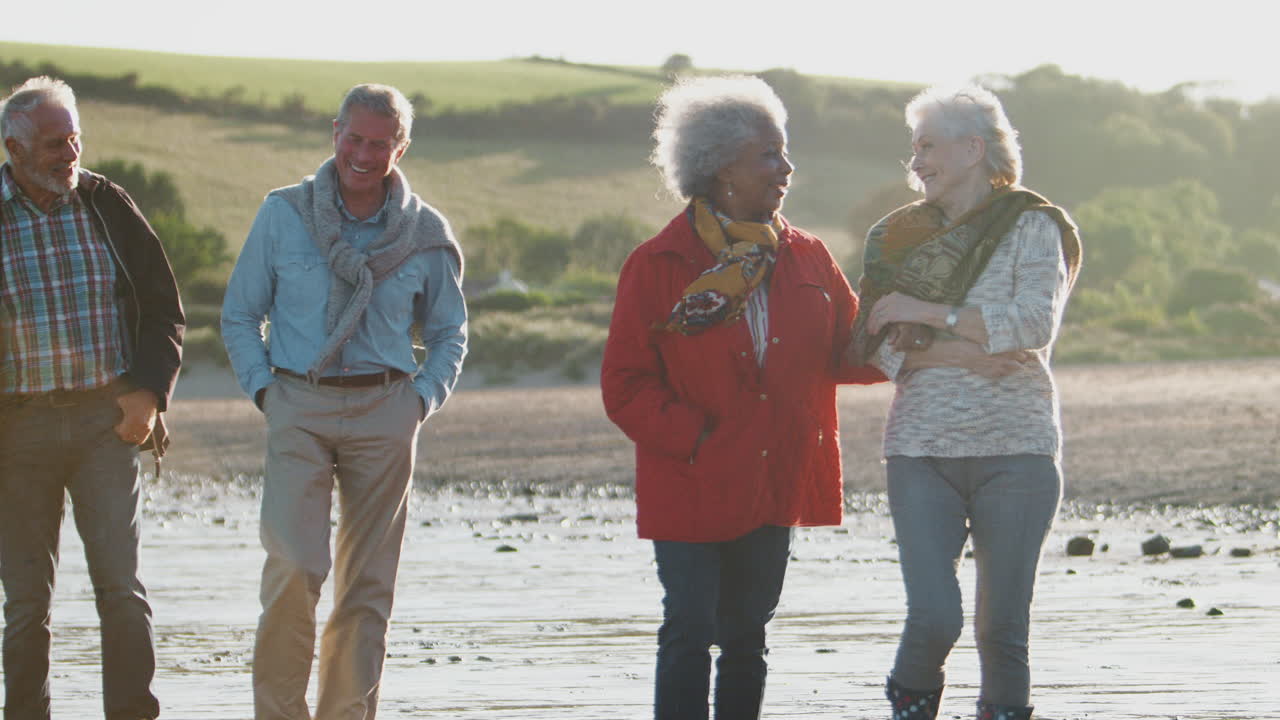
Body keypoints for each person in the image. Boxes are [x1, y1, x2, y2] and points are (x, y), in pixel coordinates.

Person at [601, 75, 885, 720]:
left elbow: (850, 351)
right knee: (688, 632)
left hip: (776, 475)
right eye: (769, 153)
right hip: (691, 479)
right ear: (721, 165)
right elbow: (624, 384)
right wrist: (697, 438)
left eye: (783, 153)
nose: (787, 168)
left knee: (748, 639)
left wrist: (917, 332)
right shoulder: (658, 262)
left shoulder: (809, 256)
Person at [220, 83, 467, 719]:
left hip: (386, 409)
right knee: (294, 569)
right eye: (353, 138)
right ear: (335, 133)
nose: (362, 153)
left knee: (367, 588)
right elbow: (241, 315)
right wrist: (266, 392)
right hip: (296, 401)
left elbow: (448, 333)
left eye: (378, 143)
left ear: (400, 147)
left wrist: (419, 402)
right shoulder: (283, 213)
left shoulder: (427, 232)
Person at [848, 84, 1082, 720]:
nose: (915, 160)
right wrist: (969, 347)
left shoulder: (1035, 225)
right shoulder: (896, 240)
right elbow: (878, 344)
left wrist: (926, 312)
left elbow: (1033, 325)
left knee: (1002, 633)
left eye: (928, 145)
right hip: (921, 451)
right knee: (934, 617)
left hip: (1020, 452)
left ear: (974, 148)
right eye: (913, 147)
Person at [0, 76, 184, 720]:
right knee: (25, 605)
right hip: (13, 436)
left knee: (121, 592)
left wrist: (149, 397)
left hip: (108, 426)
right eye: (53, 143)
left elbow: (163, 307)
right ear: (13, 148)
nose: (69, 154)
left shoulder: (106, 203)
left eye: (74, 138)